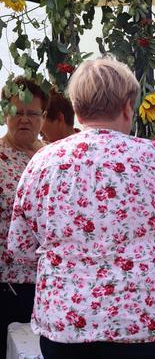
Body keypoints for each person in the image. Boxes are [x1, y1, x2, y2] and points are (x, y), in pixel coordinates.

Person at [7, 56, 155, 359]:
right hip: (140, 326)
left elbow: (20, 247)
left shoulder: (43, 163)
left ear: (76, 108)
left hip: (65, 327)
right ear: (127, 106)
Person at [0, 77, 48, 359]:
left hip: (49, 284)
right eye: (18, 112)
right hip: (7, 284)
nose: (25, 120)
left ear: (43, 117)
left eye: (33, 114)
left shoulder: (53, 156)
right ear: (5, 112)